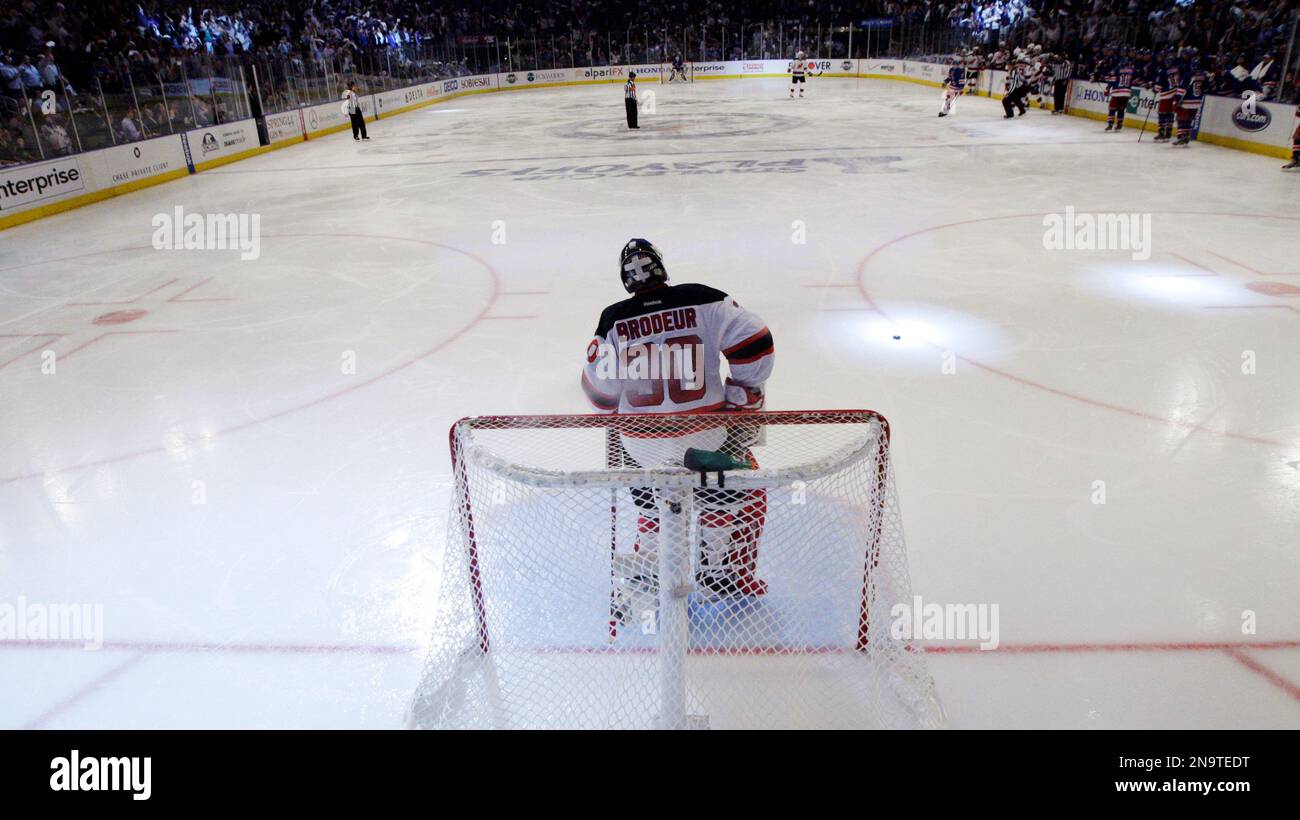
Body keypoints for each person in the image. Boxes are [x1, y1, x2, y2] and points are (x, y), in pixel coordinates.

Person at [581, 239, 775, 613]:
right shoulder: (704, 299)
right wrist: (741, 391)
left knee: (654, 502)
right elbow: (757, 344)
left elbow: (599, 396)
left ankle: (650, 575)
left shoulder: (613, 319)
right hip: (706, 436)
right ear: (662, 269)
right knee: (732, 484)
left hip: (642, 445)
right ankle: (719, 571)